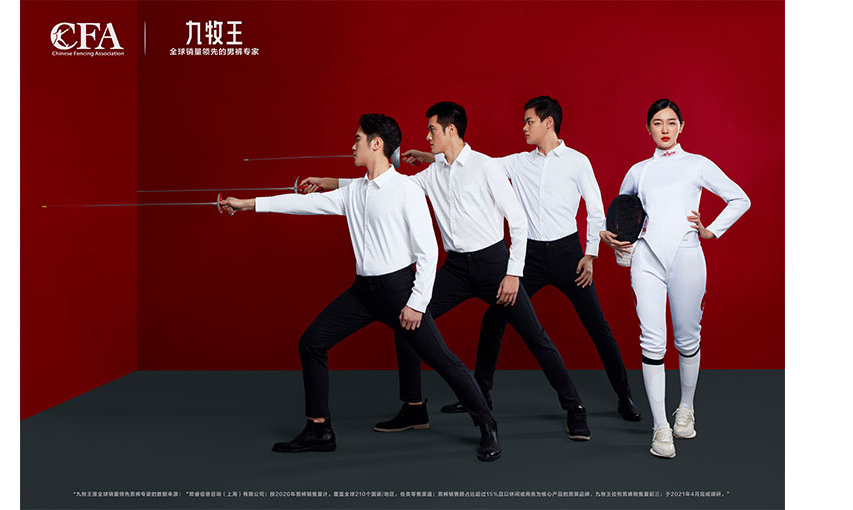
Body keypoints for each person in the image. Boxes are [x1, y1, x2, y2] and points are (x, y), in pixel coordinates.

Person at [301, 102, 591, 441]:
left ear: (451, 130)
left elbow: (518, 221)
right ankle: (413, 408)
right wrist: (327, 182)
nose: (427, 137)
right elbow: (383, 185)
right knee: (406, 322)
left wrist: (513, 274)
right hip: (455, 269)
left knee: (535, 337)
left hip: (495, 267)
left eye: (432, 130)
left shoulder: (485, 167)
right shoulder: (431, 174)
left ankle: (575, 408)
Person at [219, 114, 502, 461]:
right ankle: (319, 429)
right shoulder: (353, 191)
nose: (352, 145)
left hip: (399, 293)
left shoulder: (407, 191)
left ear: (376, 144)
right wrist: (246, 204)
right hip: (363, 293)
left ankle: (487, 425)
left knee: (443, 360)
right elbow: (302, 204)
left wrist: (417, 303)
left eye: (357, 139)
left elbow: (428, 253)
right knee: (312, 342)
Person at [401, 96, 641, 422]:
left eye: (529, 121)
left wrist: (590, 255)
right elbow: (472, 165)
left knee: (597, 325)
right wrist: (431, 156)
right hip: (529, 259)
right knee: (494, 319)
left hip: (569, 256)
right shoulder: (517, 162)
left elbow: (595, 209)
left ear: (548, 123)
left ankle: (624, 396)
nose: (524, 127)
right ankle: (480, 392)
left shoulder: (577, 161)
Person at [600, 99, 751, 458]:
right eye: (657, 122)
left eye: (671, 122)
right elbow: (622, 218)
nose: (664, 129)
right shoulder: (638, 171)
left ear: (682, 126)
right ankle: (660, 427)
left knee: (687, 338)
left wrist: (710, 230)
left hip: (687, 256)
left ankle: (685, 408)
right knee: (653, 343)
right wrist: (612, 240)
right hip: (647, 259)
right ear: (648, 128)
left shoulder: (697, 164)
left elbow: (739, 199)